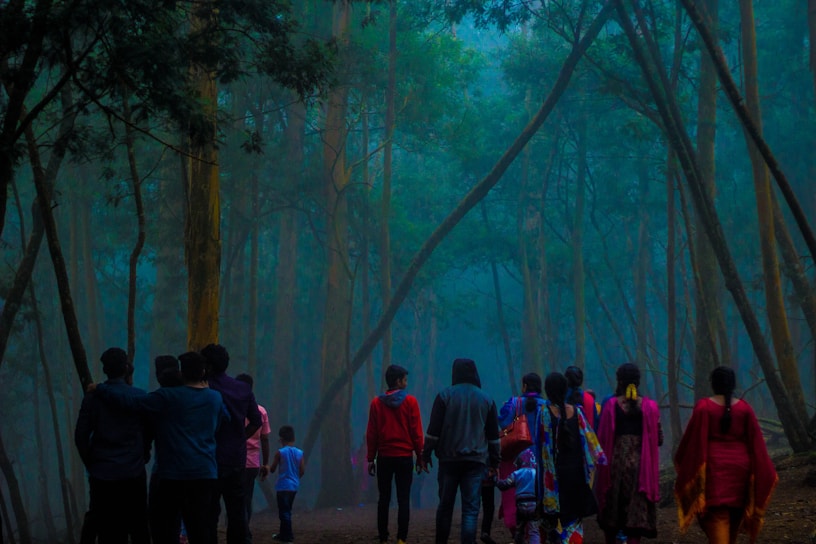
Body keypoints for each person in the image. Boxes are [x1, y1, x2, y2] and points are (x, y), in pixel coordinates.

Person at [94, 351, 228, 544]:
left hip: (172, 475)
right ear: (203, 372)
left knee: (164, 530)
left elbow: (131, 402)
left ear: (182, 373)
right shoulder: (215, 398)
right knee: (200, 530)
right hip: (204, 473)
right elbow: (225, 420)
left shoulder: (166, 397)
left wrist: (99, 389)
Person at [674, 366, 777, 544]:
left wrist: (683, 464)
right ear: (732, 385)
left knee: (718, 520)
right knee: (731, 529)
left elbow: (690, 442)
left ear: (713, 385)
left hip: (714, 476)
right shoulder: (745, 409)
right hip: (740, 475)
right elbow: (757, 445)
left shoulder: (704, 407)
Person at [420, 358, 501, 544]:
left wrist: (426, 455)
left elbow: (433, 433)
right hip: (476, 462)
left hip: (448, 460)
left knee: (445, 506)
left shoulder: (444, 396)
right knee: (471, 509)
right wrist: (495, 463)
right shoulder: (486, 400)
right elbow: (493, 438)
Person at [75, 347, 150, 544]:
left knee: (108, 531)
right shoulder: (140, 396)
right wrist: (143, 454)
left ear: (105, 369)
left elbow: (81, 435)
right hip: (133, 472)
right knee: (139, 525)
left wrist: (91, 463)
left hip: (103, 474)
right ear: (126, 368)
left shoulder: (93, 397)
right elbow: (148, 431)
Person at [201, 344, 262, 544]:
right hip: (236, 458)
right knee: (237, 510)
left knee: (210, 511)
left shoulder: (206, 387)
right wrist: (240, 437)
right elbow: (256, 420)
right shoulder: (243, 388)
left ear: (208, 365)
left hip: (210, 458)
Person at [595, 363, 663, 544]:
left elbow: (600, 438)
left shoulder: (610, 406)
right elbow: (659, 438)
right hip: (641, 468)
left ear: (620, 381)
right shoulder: (650, 407)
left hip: (615, 465)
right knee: (635, 512)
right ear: (638, 382)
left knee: (613, 510)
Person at [539, 372, 605, 544]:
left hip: (555, 478)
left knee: (556, 520)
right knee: (575, 520)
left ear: (547, 390)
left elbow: (542, 447)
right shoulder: (577, 412)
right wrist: (598, 461)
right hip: (576, 475)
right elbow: (591, 440)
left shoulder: (544, 413)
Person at [365, 364, 424, 544]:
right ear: (398, 381)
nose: (406, 383)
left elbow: (372, 433)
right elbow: (416, 432)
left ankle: (383, 537)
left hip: (384, 457)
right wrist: (420, 456)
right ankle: (401, 538)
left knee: (384, 498)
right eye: (405, 380)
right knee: (403, 498)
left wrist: (370, 458)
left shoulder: (376, 403)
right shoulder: (410, 402)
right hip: (404, 457)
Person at [497, 372, 547, 542]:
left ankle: (519, 535)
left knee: (515, 499)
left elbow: (502, 422)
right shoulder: (546, 406)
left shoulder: (514, 403)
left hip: (518, 461)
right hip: (540, 463)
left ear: (524, 386)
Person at [235, 373, 271, 544]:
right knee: (246, 498)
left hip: (234, 460)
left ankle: (236, 531)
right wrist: (265, 463)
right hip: (252, 462)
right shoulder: (261, 410)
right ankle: (244, 532)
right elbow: (264, 439)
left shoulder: (232, 407)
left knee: (234, 497)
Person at [269, 425, 305, 543]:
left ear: (281, 439)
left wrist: (266, 467)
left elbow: (273, 469)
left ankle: (288, 537)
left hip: (282, 486)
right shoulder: (300, 453)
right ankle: (283, 534)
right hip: (294, 486)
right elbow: (302, 470)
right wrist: (295, 478)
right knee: (287, 510)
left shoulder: (280, 453)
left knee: (284, 512)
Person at [495, 448, 540, 544]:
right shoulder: (537, 474)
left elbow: (504, 485)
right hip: (534, 506)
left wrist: (496, 479)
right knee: (534, 531)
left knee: (520, 529)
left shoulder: (516, 474)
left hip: (520, 506)